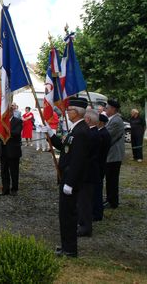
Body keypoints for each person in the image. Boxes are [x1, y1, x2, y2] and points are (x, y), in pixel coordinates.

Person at [42, 97, 90, 258]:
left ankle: (70, 249)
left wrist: (69, 182)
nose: (67, 112)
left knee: (68, 215)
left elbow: (78, 160)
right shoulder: (75, 129)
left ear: (76, 112)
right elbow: (64, 148)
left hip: (71, 179)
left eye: (69, 110)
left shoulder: (82, 131)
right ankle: (66, 246)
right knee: (64, 214)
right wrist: (50, 133)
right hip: (66, 177)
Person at [77, 109, 101, 237]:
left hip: (88, 173)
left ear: (87, 120)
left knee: (85, 202)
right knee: (82, 201)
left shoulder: (92, 135)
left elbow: (86, 154)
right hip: (89, 172)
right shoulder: (93, 133)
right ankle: (82, 223)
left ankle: (85, 227)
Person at [104, 99, 125, 209]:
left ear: (113, 109)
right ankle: (109, 199)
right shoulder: (112, 119)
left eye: (107, 108)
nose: (105, 109)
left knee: (112, 179)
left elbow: (107, 136)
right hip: (112, 155)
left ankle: (112, 202)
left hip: (114, 155)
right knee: (110, 178)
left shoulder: (116, 120)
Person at [0, 106, 23, 196]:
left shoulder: (18, 121)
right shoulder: (1, 121)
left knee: (14, 171)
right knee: (4, 171)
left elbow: (16, 133)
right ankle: (5, 189)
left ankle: (14, 189)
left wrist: (5, 132)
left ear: (12, 112)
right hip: (3, 150)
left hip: (13, 150)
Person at [92, 114, 111, 221]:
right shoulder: (102, 133)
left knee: (97, 191)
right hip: (100, 164)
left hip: (99, 165)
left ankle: (97, 213)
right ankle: (96, 211)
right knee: (96, 190)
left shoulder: (102, 134)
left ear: (101, 123)